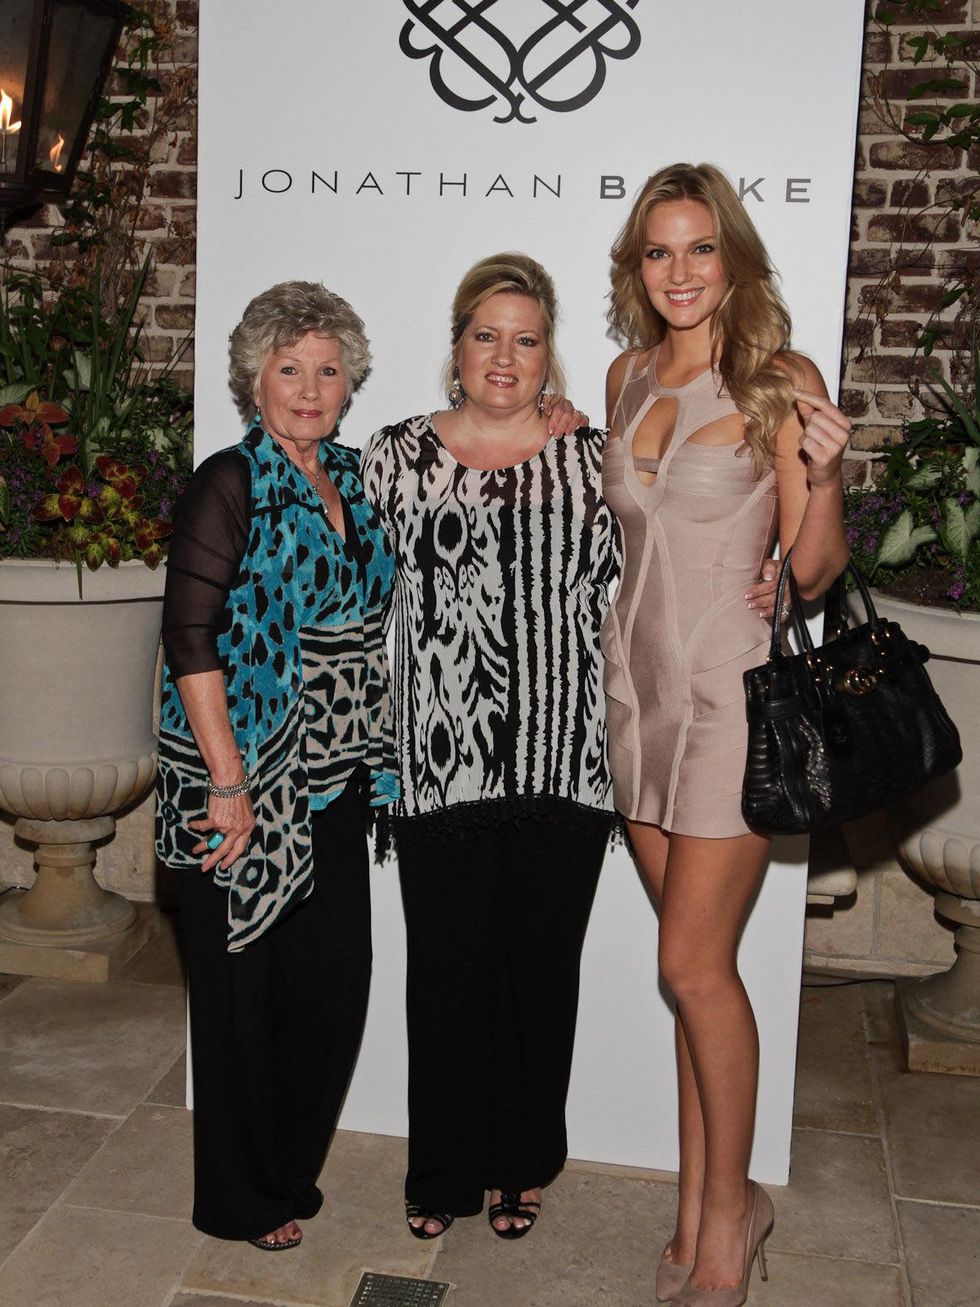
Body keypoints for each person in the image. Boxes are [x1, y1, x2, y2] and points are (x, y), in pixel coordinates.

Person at [603, 163, 852, 1306]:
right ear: (637, 267)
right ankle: (703, 1196)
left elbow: (810, 569)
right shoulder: (624, 374)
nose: (680, 272)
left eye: (699, 248)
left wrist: (825, 474)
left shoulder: (776, 381)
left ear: (733, 258)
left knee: (688, 965)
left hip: (732, 699)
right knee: (694, 975)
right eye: (658, 252)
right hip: (634, 695)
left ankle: (728, 1222)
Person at [360, 253, 617, 1242]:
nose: (502, 357)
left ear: (547, 354)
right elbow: (347, 583)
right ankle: (442, 1172)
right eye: (485, 335)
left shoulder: (594, 459)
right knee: (447, 971)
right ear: (456, 348)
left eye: (525, 337)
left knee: (540, 971)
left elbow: (662, 571)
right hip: (435, 763)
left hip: (566, 757)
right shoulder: (392, 456)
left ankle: (522, 1163)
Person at [155, 281, 398, 1251]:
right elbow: (189, 632)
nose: (309, 386)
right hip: (240, 775)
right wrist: (227, 778)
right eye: (289, 367)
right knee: (237, 997)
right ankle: (239, 1196)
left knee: (332, 984)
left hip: (336, 774)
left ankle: (288, 1169)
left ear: (350, 384)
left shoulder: (355, 474)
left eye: (327, 369)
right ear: (253, 379)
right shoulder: (230, 480)